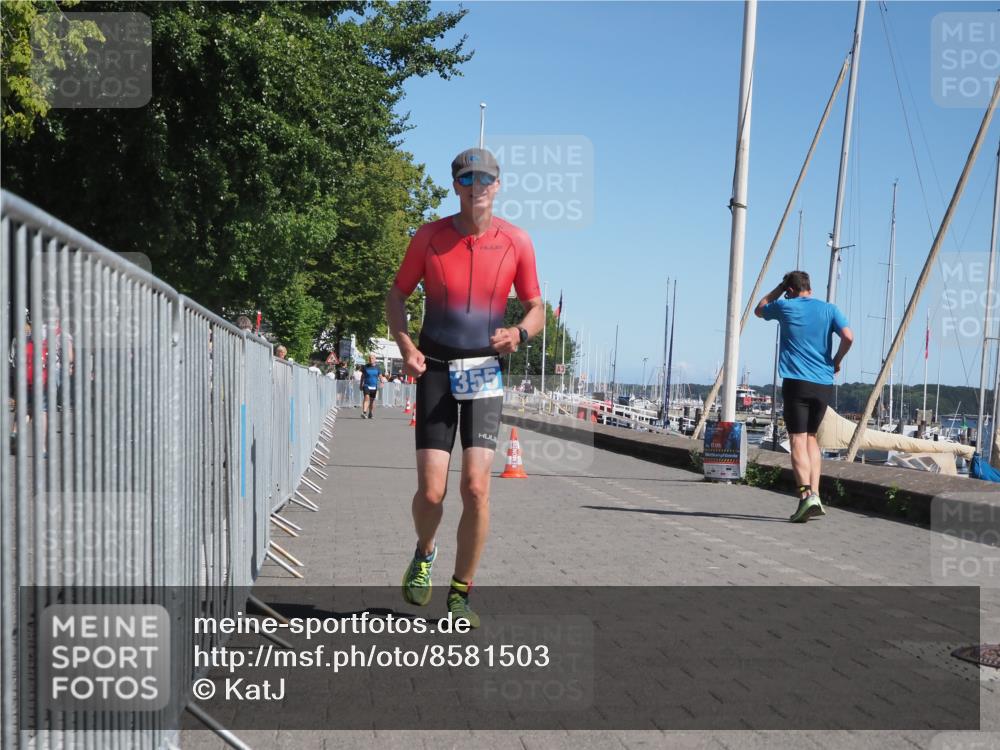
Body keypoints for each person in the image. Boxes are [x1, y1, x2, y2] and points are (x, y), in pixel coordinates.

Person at [385, 147, 543, 627]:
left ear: (498, 185)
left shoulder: (517, 241)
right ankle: (425, 551)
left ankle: (460, 593)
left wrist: (519, 333)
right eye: (468, 179)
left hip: (483, 371)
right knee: (431, 494)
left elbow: (537, 307)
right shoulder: (429, 237)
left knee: (475, 488)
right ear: (456, 185)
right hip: (433, 367)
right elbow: (397, 295)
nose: (477, 187)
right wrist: (404, 344)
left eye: (486, 179)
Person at [755, 270, 853, 523]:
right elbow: (848, 336)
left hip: (796, 382)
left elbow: (759, 308)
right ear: (809, 287)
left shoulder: (785, 306)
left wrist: (779, 288)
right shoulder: (830, 309)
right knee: (811, 439)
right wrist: (836, 360)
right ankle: (817, 494)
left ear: (789, 290)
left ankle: (805, 496)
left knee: (797, 439)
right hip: (823, 384)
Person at [360, 354, 383, 418]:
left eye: (372, 358)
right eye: (370, 358)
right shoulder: (365, 367)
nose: (371, 359)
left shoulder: (378, 367)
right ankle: (364, 412)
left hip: (374, 386)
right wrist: (361, 384)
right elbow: (362, 376)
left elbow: (380, 376)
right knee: (366, 397)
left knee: (372, 401)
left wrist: (382, 382)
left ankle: (370, 413)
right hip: (366, 385)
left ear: (375, 359)